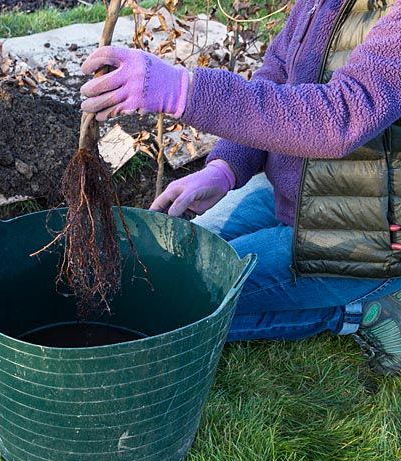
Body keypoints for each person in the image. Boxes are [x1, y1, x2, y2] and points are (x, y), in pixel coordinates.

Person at [79, 0, 401, 375]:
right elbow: (275, 78)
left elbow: (339, 117)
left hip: (367, 230)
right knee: (174, 266)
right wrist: (225, 168)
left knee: (175, 312)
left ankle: (360, 309)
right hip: (297, 196)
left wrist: (183, 91)